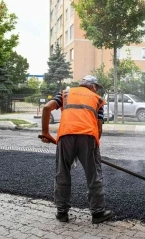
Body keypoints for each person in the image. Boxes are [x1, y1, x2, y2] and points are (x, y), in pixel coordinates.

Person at [40, 75, 114, 224]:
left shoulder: (66, 93)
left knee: (62, 173)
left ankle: (62, 213)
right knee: (93, 175)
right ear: (92, 86)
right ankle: (98, 213)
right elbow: (99, 128)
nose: (96, 89)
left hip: (66, 135)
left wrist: (46, 132)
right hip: (88, 136)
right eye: (96, 87)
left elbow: (47, 107)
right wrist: (94, 150)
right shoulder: (97, 99)